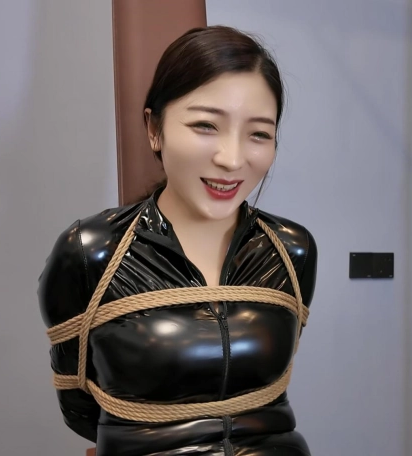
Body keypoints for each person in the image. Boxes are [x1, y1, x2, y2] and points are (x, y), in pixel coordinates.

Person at [37, 25, 318, 456]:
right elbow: (80, 404)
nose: (232, 159)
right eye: (206, 125)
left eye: (259, 133)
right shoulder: (91, 252)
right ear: (155, 128)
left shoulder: (291, 250)